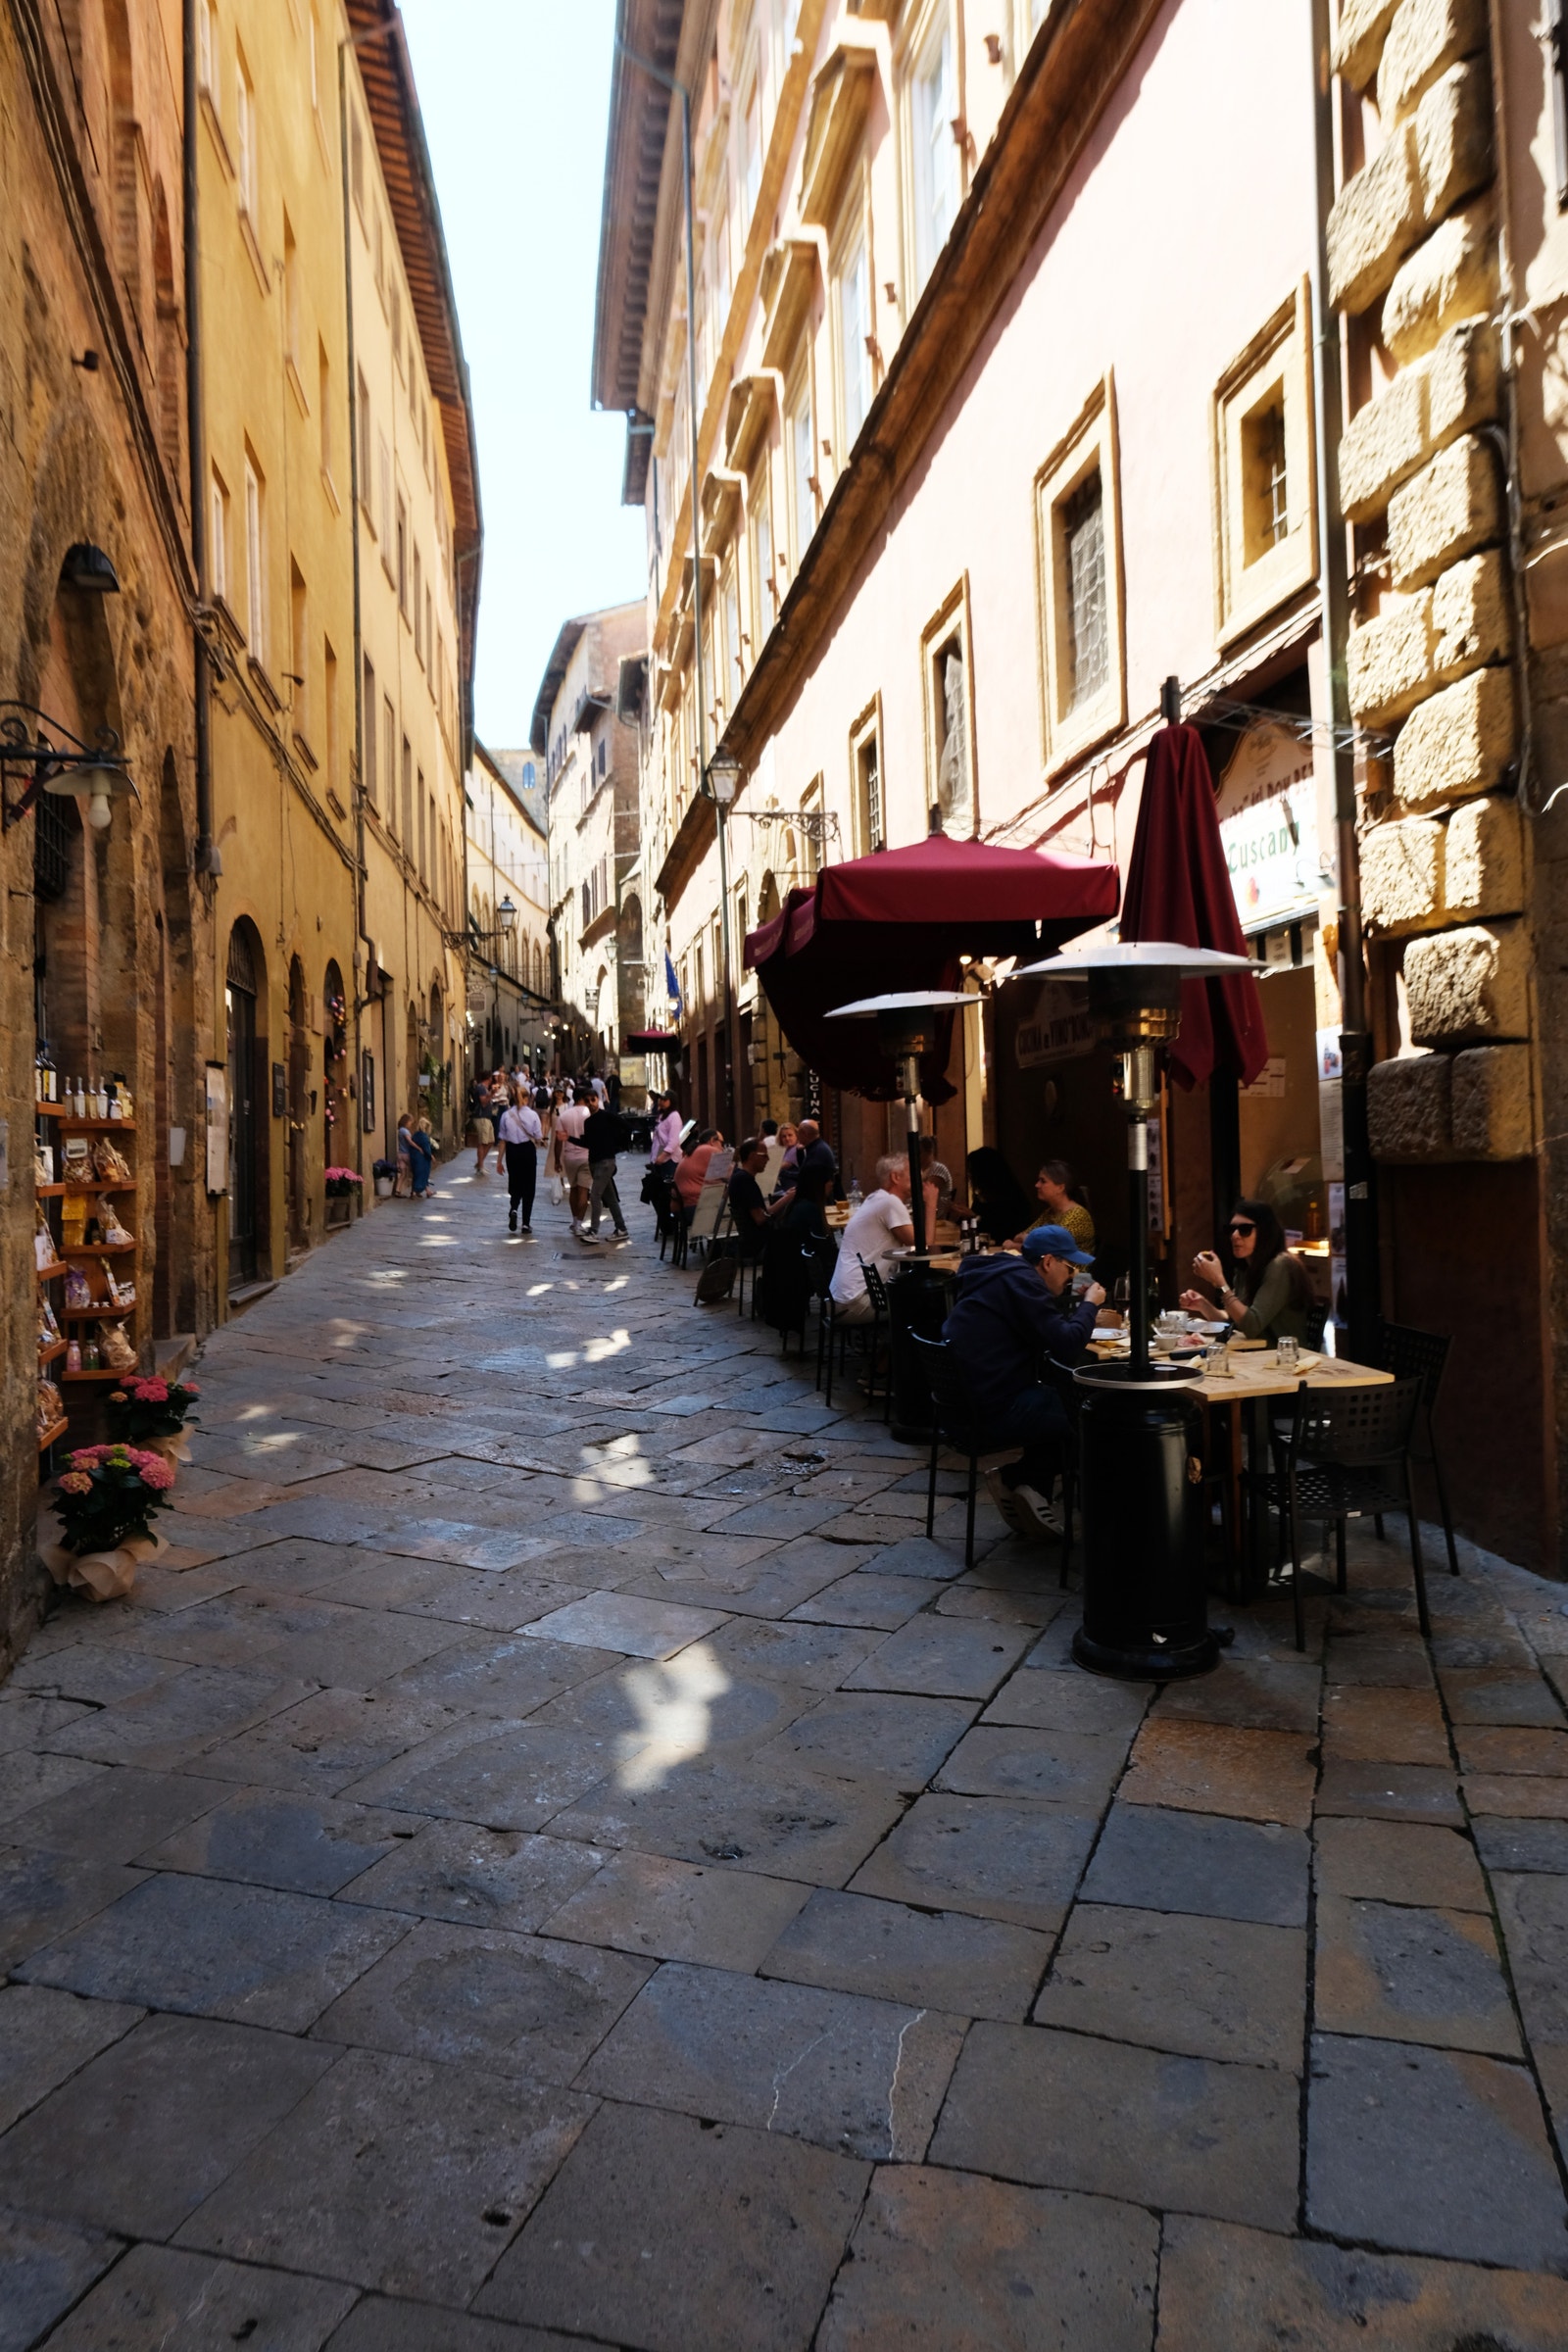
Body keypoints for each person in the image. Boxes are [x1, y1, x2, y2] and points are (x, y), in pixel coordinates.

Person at [943, 1223, 1104, 1539]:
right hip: (991, 1408)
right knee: (1088, 1416)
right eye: (1069, 1267)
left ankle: (1032, 1494)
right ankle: (1019, 1480)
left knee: (1057, 1399)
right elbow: (1067, 1345)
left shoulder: (1002, 1275)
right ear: (1047, 1262)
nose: (1072, 1275)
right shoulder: (1023, 1284)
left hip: (960, 1403)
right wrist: (1090, 1306)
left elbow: (1043, 1331)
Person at [1180, 1198, 1313, 1342]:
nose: (1235, 1236)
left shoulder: (1280, 1265)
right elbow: (1235, 1321)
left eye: (1245, 1230)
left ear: (1264, 1232)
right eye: (1231, 1229)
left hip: (1282, 1357)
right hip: (1254, 1356)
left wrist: (1219, 1282)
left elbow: (1251, 1325)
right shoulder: (1246, 1268)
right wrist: (1203, 1305)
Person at [829, 1154, 913, 1324]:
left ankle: (884, 1346)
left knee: (909, 1292)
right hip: (855, 1303)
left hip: (840, 1298)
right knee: (921, 1304)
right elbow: (922, 1244)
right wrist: (931, 1203)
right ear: (895, 1177)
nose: (919, 1179)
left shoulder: (875, 1198)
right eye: (912, 1175)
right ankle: (896, 1349)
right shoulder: (890, 1203)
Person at [581, 1097, 630, 1242]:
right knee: (610, 1198)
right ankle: (621, 1228)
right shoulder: (588, 1122)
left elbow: (626, 1127)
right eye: (587, 1101)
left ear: (597, 1100)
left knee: (595, 1195)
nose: (591, 1103)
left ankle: (593, 1231)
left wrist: (616, 1146)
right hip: (594, 1162)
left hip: (606, 1163)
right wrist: (569, 1138)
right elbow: (587, 1143)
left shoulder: (607, 1116)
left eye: (593, 1100)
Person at [965, 1147, 1032, 1247]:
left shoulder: (1010, 1196)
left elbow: (1000, 1231)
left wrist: (975, 1216)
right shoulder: (983, 1193)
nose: (969, 1175)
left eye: (972, 1171)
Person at [499, 1086, 543, 1235]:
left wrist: (499, 1161)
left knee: (515, 1182)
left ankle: (514, 1209)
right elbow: (538, 1137)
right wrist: (540, 1141)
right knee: (529, 1186)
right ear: (526, 1098)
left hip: (512, 1151)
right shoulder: (533, 1115)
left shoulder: (506, 1115)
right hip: (527, 1151)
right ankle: (526, 1223)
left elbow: (503, 1140)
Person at [1028, 1158, 1095, 1253]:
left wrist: (1019, 1243)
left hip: (1071, 1267)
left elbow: (1043, 1248)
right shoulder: (1050, 1212)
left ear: (1060, 1188)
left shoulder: (1077, 1216)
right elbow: (1024, 1235)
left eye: (1043, 1181)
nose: (1037, 1185)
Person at [727, 1136, 774, 1257]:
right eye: (764, 1155)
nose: (768, 1159)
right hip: (758, 1244)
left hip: (751, 1240)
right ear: (753, 1156)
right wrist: (787, 1199)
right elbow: (760, 1218)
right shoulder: (745, 1180)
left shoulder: (739, 1176)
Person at [554, 1090, 591, 1225]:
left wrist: (557, 1160)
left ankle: (574, 1220)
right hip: (587, 1156)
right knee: (584, 1191)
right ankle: (579, 1223)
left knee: (573, 1190)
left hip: (569, 1157)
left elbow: (558, 1141)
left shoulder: (564, 1115)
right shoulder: (589, 1114)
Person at [674, 1128, 722, 1213]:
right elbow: (729, 1171)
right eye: (721, 1142)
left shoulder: (696, 1150)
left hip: (688, 1206)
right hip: (698, 1206)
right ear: (712, 1141)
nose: (722, 1147)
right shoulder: (707, 1149)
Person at [399, 1109, 435, 1201]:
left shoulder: (415, 1135)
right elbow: (426, 1149)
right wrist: (430, 1156)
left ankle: (423, 1191)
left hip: (413, 1157)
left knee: (416, 1173)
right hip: (421, 1159)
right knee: (422, 1174)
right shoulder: (423, 1137)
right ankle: (415, 1192)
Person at [468, 1073, 496, 1176]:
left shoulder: (484, 1088)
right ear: (488, 1079)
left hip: (487, 1117)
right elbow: (483, 1102)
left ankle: (480, 1163)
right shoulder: (481, 1088)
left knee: (490, 1141)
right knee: (482, 1143)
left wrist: (491, 1094)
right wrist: (491, 1094)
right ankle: (480, 1166)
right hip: (481, 1117)